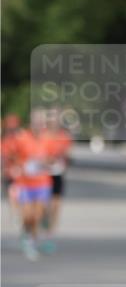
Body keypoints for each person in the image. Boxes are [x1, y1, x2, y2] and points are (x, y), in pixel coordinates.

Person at [10, 109, 54, 260]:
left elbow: (53, 158)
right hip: (24, 183)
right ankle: (27, 234)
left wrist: (45, 163)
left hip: (43, 183)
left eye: (41, 122)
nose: (38, 125)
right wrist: (16, 166)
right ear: (31, 123)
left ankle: (31, 242)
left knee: (36, 216)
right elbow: (12, 155)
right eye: (36, 121)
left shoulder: (48, 138)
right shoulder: (21, 137)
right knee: (27, 216)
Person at [41, 110, 73, 253]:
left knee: (55, 206)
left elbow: (68, 155)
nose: (53, 122)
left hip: (58, 174)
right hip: (43, 175)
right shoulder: (42, 135)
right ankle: (43, 222)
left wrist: (64, 159)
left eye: (56, 120)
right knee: (43, 207)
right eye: (51, 119)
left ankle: (50, 236)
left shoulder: (64, 137)